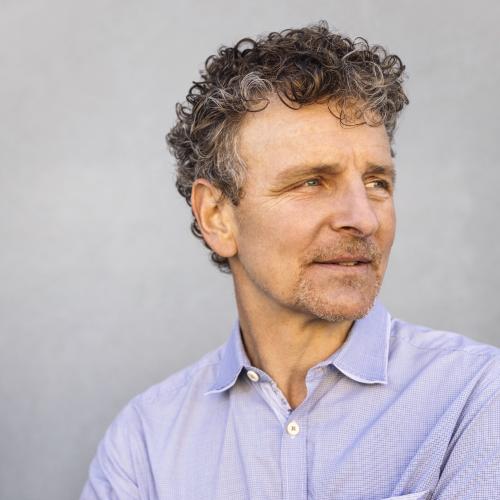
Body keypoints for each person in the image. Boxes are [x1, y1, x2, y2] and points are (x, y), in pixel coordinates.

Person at [81, 22, 500, 500]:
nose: (363, 219)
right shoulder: (145, 446)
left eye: (376, 182)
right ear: (217, 216)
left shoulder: (476, 400)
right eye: (311, 182)